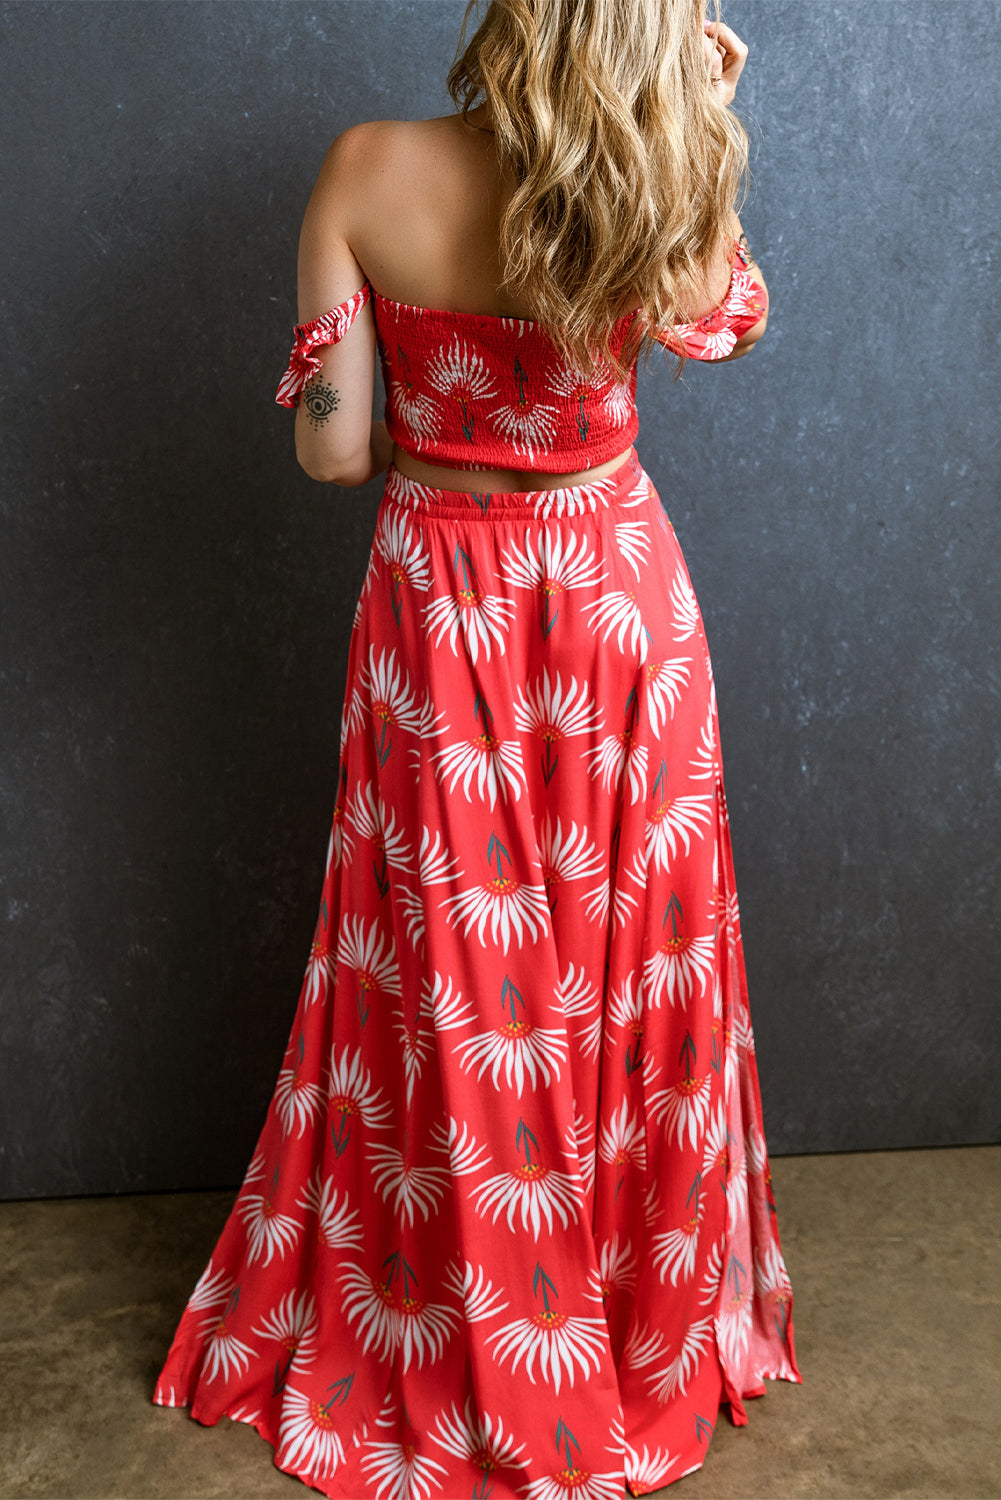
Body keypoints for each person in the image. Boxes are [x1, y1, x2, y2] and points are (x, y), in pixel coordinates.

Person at [152, 1, 801, 1494]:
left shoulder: (369, 167)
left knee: (451, 966)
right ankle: (624, 1331)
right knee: (630, 958)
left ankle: (460, 1327)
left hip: (440, 609)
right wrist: (696, 125)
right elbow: (718, 319)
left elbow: (332, 449)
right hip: (619, 607)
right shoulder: (660, 175)